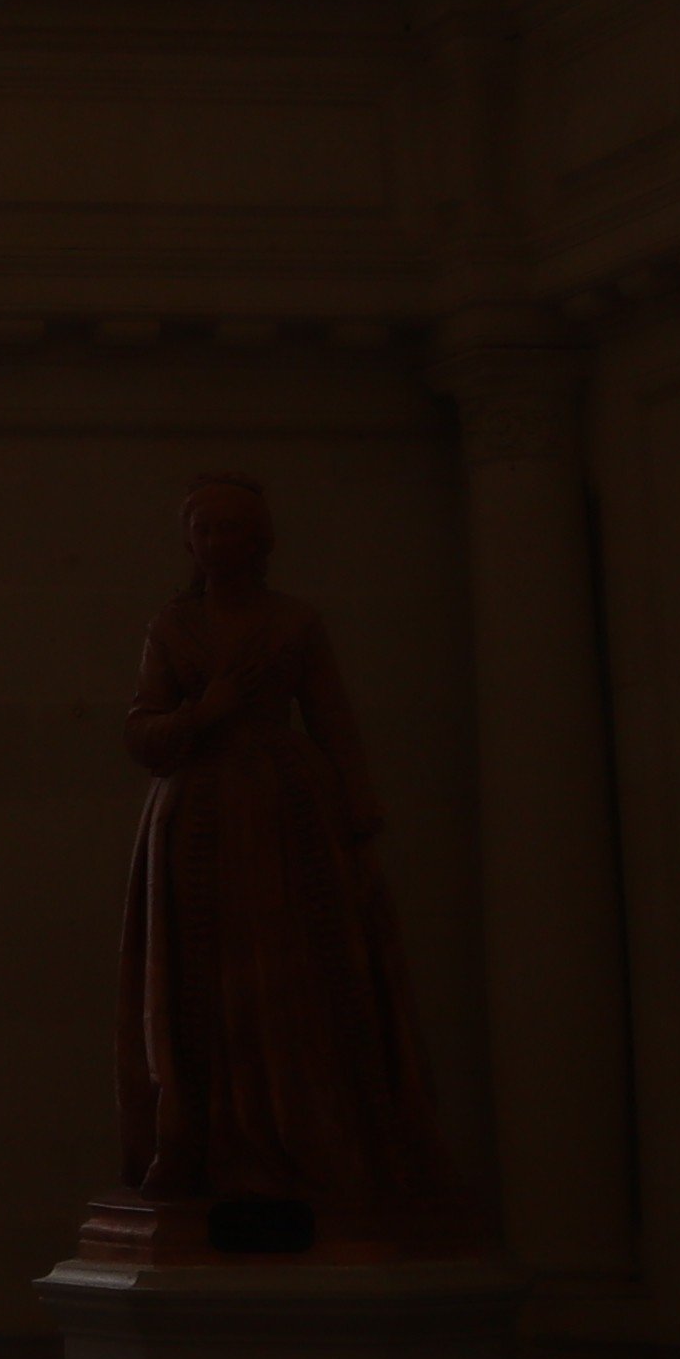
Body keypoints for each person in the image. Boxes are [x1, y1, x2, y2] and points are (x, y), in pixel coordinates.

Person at [116, 472, 443, 1243]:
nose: (221, 542)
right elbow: (142, 732)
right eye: (207, 530)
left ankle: (304, 1147)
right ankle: (206, 1147)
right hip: (194, 818)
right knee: (206, 985)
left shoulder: (295, 624)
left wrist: (362, 829)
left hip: (289, 820)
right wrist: (206, 712)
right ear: (190, 544)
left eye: (235, 528)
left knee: (290, 983)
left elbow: (335, 722)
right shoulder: (172, 626)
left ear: (261, 540)